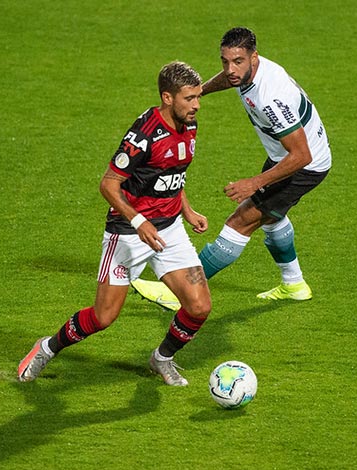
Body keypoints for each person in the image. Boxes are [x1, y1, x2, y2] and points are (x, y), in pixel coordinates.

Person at [17, 61, 211, 386]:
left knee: (199, 306)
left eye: (198, 97)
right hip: (127, 234)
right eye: (189, 98)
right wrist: (138, 222)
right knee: (103, 317)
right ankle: (47, 347)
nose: (196, 105)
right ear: (167, 97)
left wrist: (187, 210)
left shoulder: (188, 124)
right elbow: (108, 185)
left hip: (169, 229)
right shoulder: (143, 136)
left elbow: (173, 172)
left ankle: (162, 358)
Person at [132, 27, 331, 311]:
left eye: (238, 61)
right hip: (285, 156)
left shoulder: (270, 97)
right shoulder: (254, 71)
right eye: (225, 61)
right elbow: (231, 78)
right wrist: (200, 90)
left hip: (303, 165)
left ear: (254, 57)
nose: (230, 69)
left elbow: (301, 155)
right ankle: (294, 284)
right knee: (272, 218)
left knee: (241, 222)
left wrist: (254, 183)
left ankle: (179, 292)